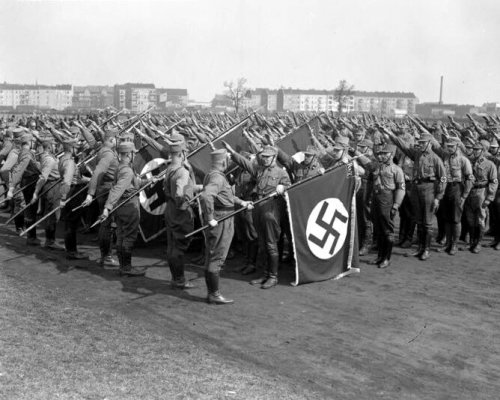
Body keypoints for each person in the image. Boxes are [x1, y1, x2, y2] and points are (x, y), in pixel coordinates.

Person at [223, 143, 290, 289]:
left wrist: (283, 187)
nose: (264, 159)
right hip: (258, 208)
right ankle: (265, 273)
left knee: (271, 244)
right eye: (263, 157)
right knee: (262, 243)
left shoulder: (281, 173)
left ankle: (273, 276)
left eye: (268, 157)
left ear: (274, 158)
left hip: (271, 209)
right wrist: (232, 152)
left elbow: (290, 187)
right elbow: (245, 164)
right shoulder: (259, 170)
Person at [200, 149, 252, 304]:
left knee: (212, 255)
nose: (229, 163)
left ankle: (212, 293)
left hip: (221, 216)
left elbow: (226, 196)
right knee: (217, 256)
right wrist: (210, 217)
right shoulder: (218, 178)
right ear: (223, 162)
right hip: (222, 219)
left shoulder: (212, 175)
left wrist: (242, 202)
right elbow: (206, 195)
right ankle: (214, 295)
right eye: (228, 160)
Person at [385, 130, 446, 261]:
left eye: (423, 143)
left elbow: (443, 178)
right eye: (420, 143)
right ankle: (420, 248)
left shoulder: (436, 159)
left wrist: (438, 198)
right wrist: (390, 134)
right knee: (418, 219)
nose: (421, 145)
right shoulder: (417, 154)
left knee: (428, 222)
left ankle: (426, 250)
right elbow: (403, 146)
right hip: (416, 188)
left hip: (429, 189)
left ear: (430, 143)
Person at [100, 142, 146, 276]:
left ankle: (123, 266)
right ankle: (126, 268)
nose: (135, 155)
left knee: (121, 235)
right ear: (129, 154)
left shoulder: (122, 167)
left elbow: (132, 185)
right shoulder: (127, 170)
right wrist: (107, 208)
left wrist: (147, 181)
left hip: (120, 206)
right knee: (129, 236)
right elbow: (118, 189)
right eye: (134, 153)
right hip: (128, 205)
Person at [163, 137, 199, 289]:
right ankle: (179, 280)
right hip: (180, 212)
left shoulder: (170, 168)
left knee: (172, 246)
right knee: (179, 247)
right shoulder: (182, 172)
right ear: (183, 153)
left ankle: (175, 278)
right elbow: (180, 194)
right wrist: (187, 202)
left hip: (170, 210)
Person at [81, 129, 119, 267]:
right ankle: (107, 256)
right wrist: (90, 193)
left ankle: (106, 255)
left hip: (104, 189)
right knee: (107, 224)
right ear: (111, 140)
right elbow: (97, 172)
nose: (117, 141)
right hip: (107, 190)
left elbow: (91, 140)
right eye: (116, 139)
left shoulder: (103, 150)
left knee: (106, 223)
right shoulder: (108, 154)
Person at [366, 143, 405, 268]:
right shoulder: (378, 166)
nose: (381, 156)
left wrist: (396, 205)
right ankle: (380, 256)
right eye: (381, 153)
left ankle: (386, 258)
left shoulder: (396, 170)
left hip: (387, 199)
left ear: (391, 155)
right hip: (377, 198)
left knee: (387, 230)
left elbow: (401, 188)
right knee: (378, 229)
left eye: (385, 154)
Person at [464, 141, 498, 253]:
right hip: (470, 191)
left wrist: (489, 198)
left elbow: (493, 182)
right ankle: (472, 242)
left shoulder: (489, 164)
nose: (475, 151)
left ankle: (478, 243)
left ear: (482, 151)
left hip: (481, 192)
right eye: (474, 149)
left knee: (480, 219)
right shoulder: (469, 162)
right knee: (470, 219)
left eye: (477, 149)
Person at [59, 137, 90, 259]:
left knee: (69, 222)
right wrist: (63, 198)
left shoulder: (62, 159)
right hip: (72, 193)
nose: (77, 150)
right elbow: (67, 181)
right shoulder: (70, 162)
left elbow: (73, 177)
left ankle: (70, 249)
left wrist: (87, 180)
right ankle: (72, 251)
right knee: (72, 223)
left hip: (70, 190)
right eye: (76, 148)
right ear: (71, 148)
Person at [7, 132, 41, 246]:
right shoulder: (27, 155)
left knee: (30, 210)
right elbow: (18, 171)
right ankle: (31, 237)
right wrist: (11, 188)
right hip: (30, 183)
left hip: (29, 181)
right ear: (30, 142)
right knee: (31, 211)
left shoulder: (24, 152)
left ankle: (31, 236)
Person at [31, 137, 63, 249]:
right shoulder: (49, 159)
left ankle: (50, 240)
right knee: (52, 214)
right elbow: (43, 177)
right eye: (54, 145)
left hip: (51, 186)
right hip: (52, 186)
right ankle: (50, 241)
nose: (56, 146)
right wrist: (35, 192)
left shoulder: (44, 156)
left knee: (50, 213)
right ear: (49, 147)